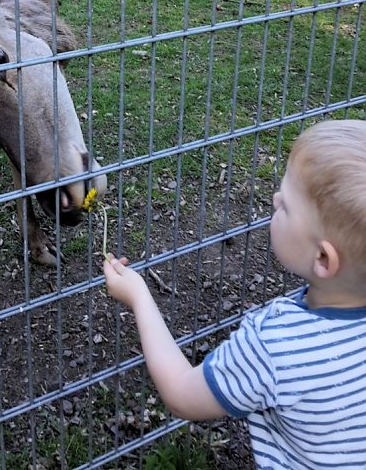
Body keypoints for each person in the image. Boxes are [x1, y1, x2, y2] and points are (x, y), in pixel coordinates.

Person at [103, 119, 366, 469]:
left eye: (286, 204)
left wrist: (139, 296)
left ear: (322, 258)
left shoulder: (276, 347)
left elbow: (182, 394)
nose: (274, 198)